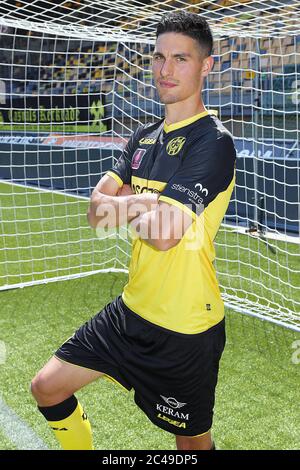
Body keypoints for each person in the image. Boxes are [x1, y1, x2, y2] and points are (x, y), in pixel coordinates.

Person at [31, 11, 236, 451]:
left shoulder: (213, 142)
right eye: (159, 57)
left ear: (206, 66)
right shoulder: (143, 138)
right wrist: (147, 202)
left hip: (185, 327)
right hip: (131, 310)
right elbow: (95, 213)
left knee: (192, 443)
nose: (164, 70)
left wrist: (126, 207)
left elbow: (162, 234)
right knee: (46, 387)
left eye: (180, 59)